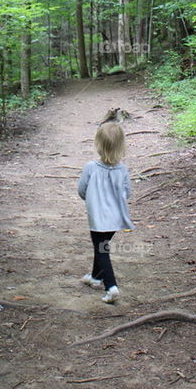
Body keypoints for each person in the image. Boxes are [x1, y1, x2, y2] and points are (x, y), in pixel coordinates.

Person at [77, 121, 134, 303]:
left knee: (102, 250)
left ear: (98, 144)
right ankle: (95, 277)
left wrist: (93, 200)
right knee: (101, 247)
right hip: (115, 218)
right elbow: (127, 192)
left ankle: (111, 287)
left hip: (98, 218)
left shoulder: (91, 167)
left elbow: (82, 190)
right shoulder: (123, 170)